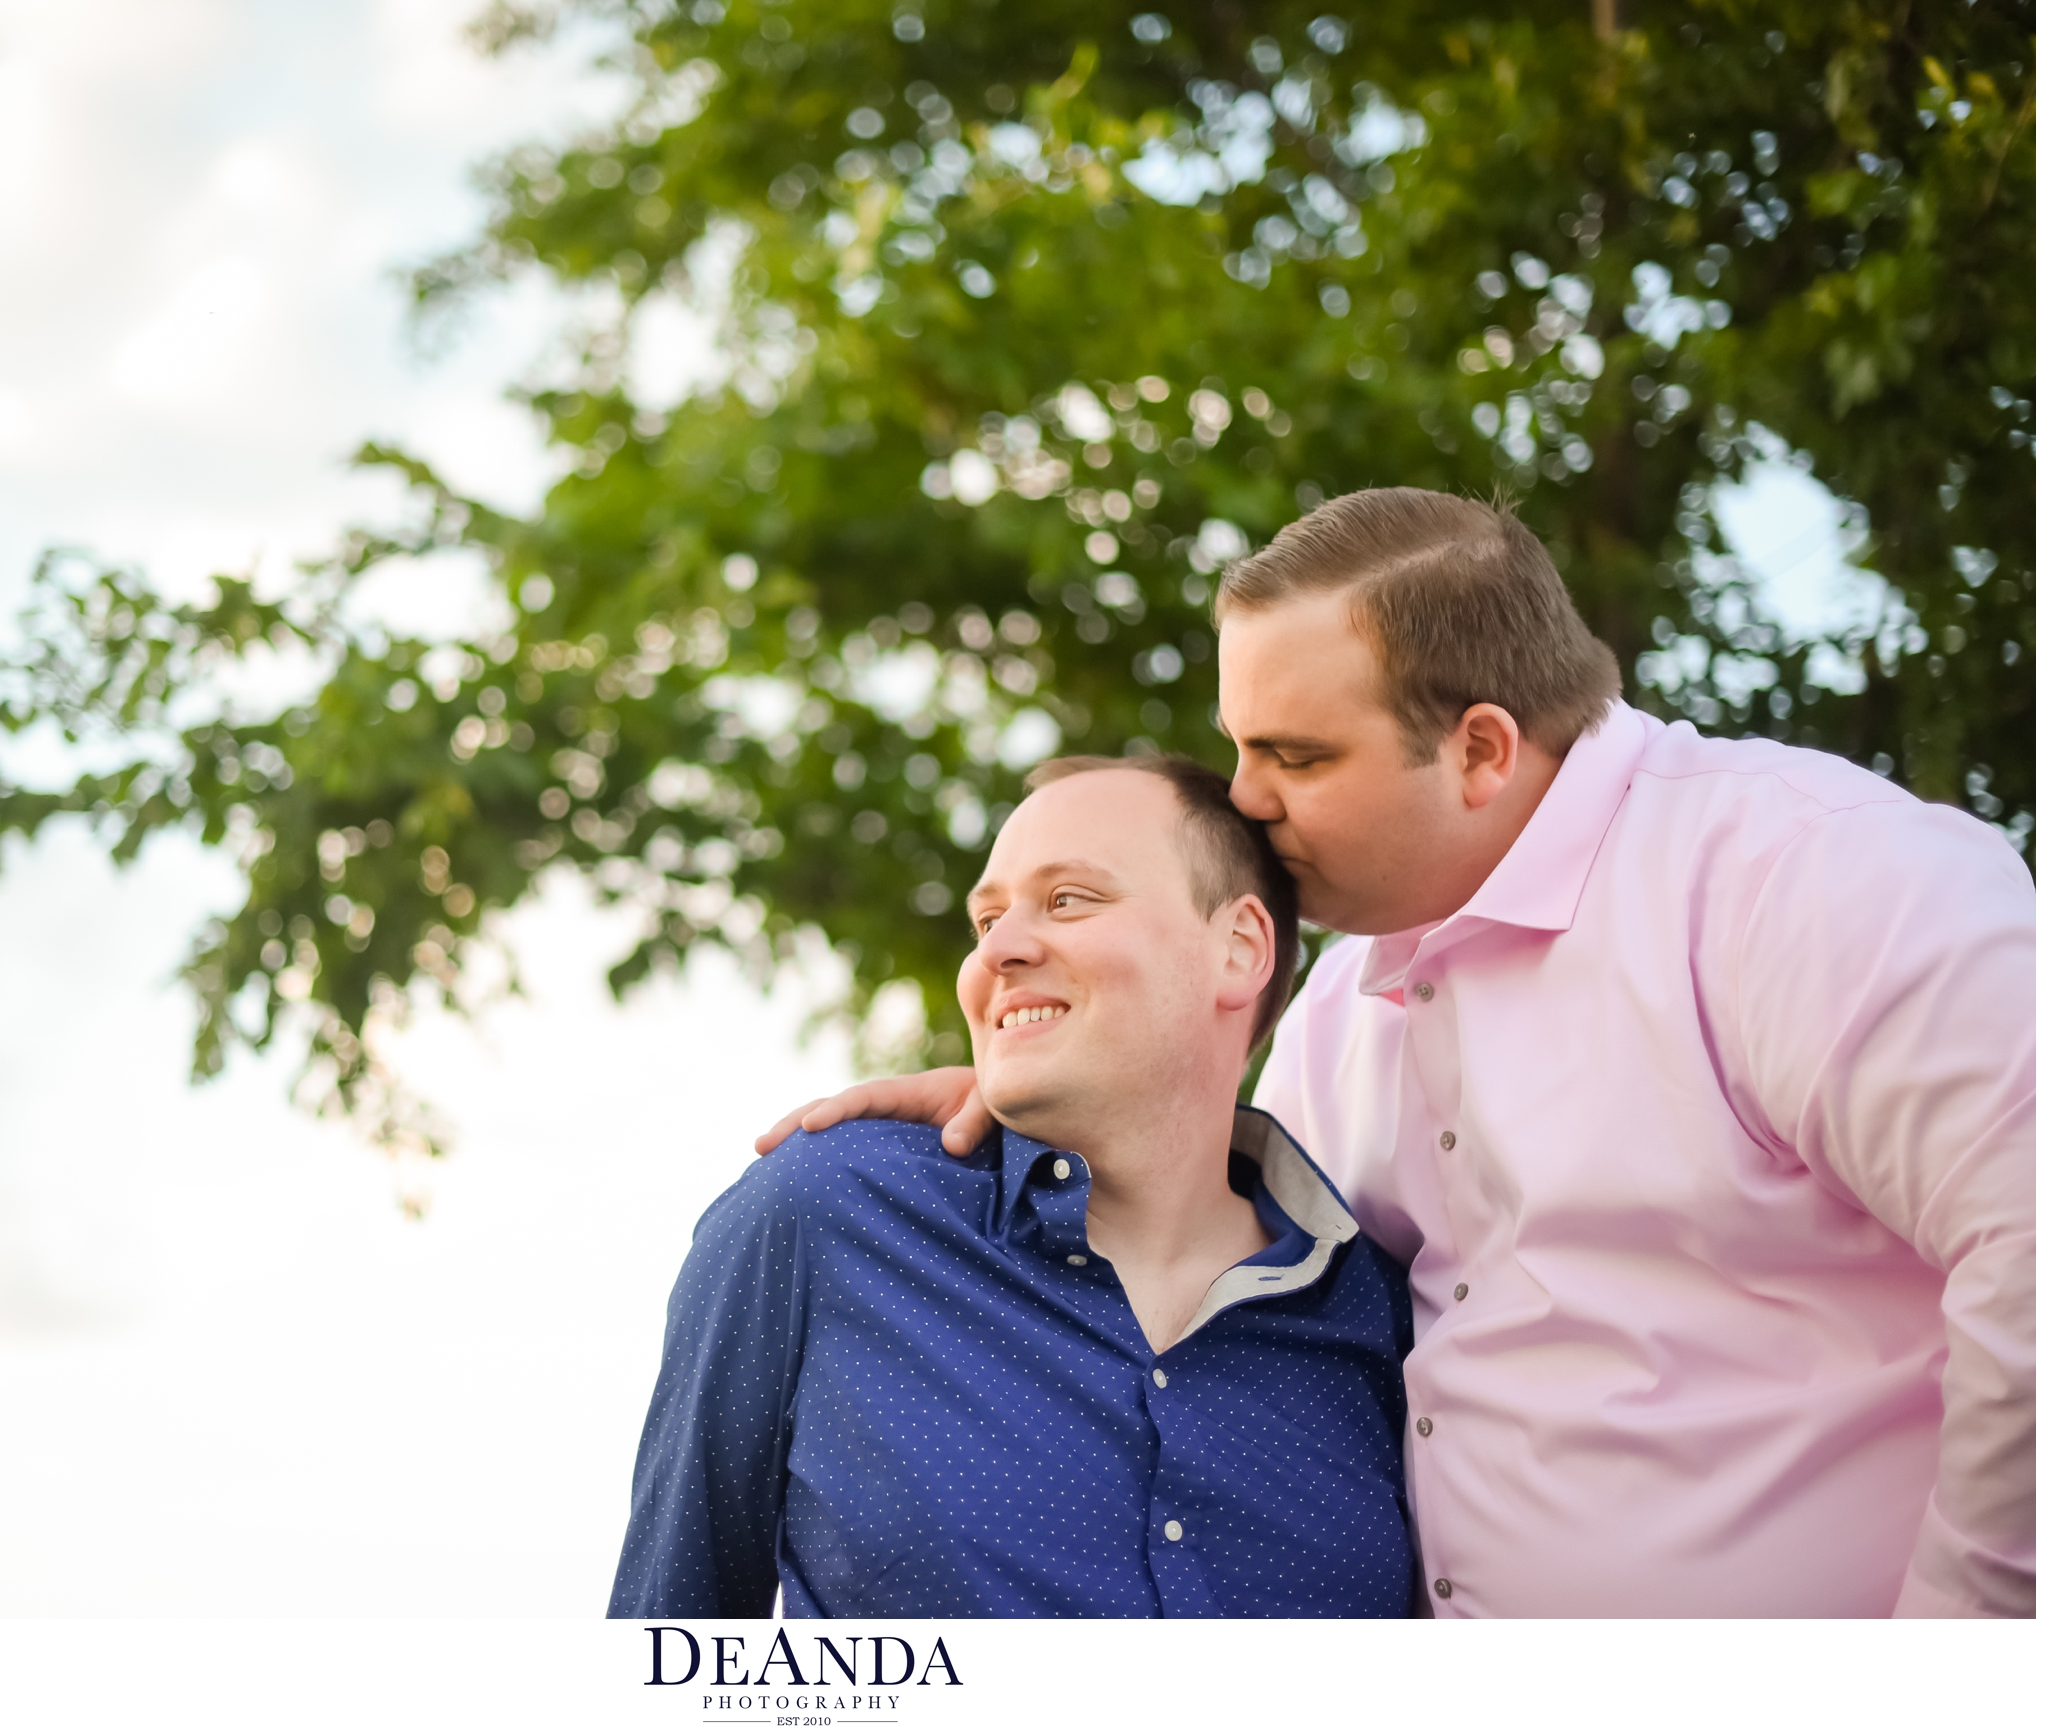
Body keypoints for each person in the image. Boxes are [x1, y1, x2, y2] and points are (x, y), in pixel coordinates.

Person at [760, 488, 2035, 1618]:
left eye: (1296, 756)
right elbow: (1229, 1248)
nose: (1245, 798)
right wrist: (1044, 1092)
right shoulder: (1334, 1011)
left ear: (1480, 747)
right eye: (1242, 741)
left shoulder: (1808, 875)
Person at [610, 756, 1416, 1618]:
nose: (997, 951)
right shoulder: (824, 1213)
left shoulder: (1385, 1316)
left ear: (1240, 948)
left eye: (1069, 900)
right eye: (986, 919)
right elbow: (665, 1653)